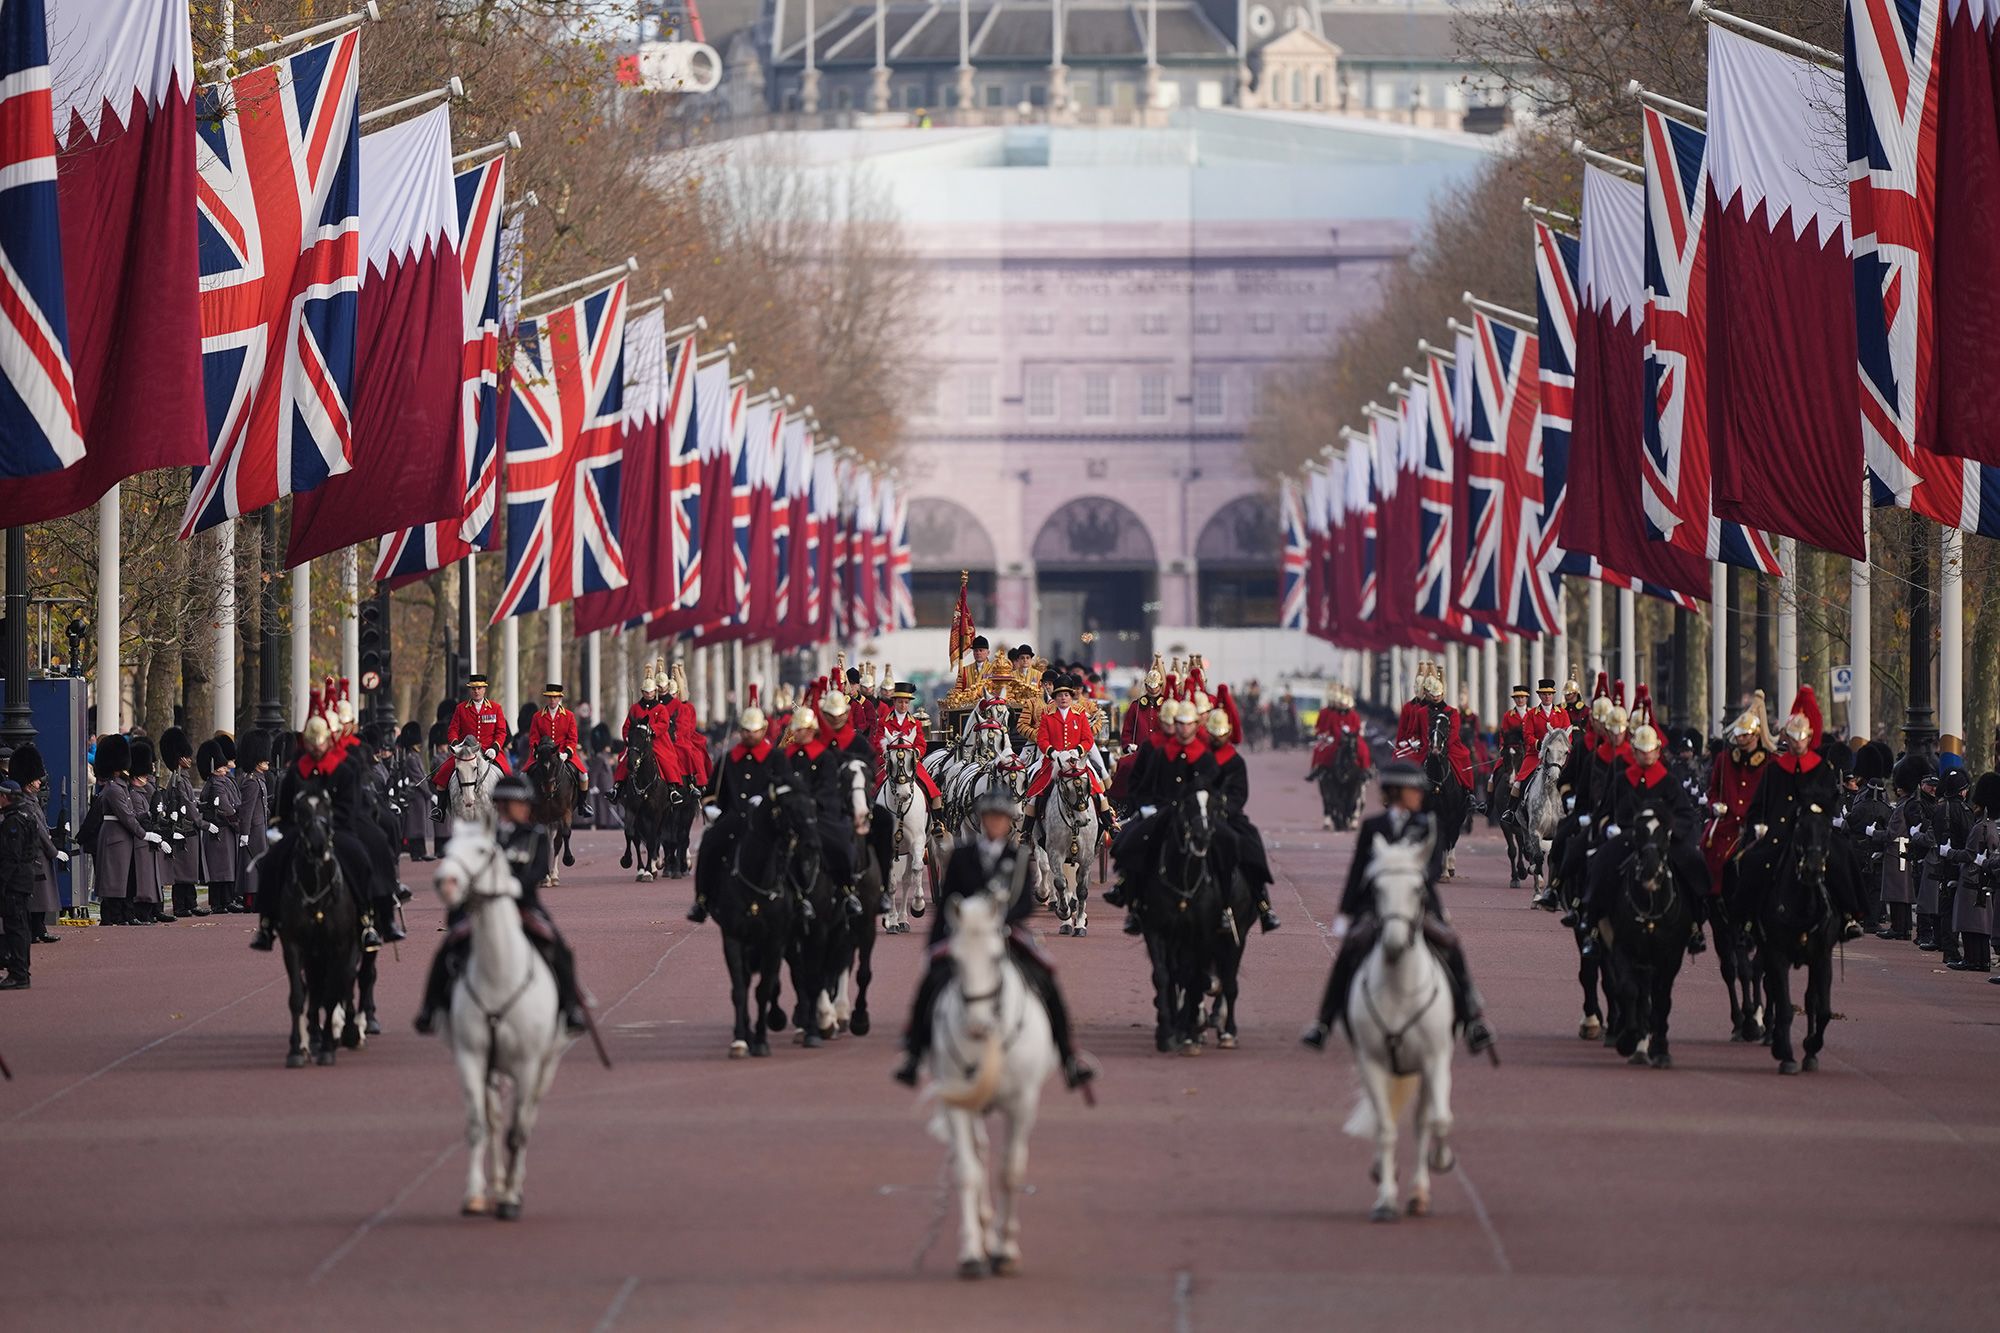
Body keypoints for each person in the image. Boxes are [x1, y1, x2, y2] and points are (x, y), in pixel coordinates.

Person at [891, 789, 1094, 1092]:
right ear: (983, 820)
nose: (995, 824)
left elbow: (1027, 903)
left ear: (1009, 822)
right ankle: (914, 1053)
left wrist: (1002, 919)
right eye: (990, 818)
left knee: (1047, 975)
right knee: (932, 980)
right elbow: (948, 901)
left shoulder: (1019, 857)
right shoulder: (962, 856)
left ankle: (1069, 1057)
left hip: (1006, 931)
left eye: (1001, 818)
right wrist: (936, 944)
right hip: (967, 933)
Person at [1300, 761, 1495, 1057]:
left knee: (1452, 946)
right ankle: (1323, 1022)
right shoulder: (1373, 826)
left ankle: (1472, 1018)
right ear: (1395, 792)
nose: (1420, 795)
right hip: (1376, 905)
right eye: (1413, 789)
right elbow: (1358, 870)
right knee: (1349, 952)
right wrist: (1345, 911)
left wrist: (1407, 877)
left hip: (1419, 903)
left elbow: (1431, 869)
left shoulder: (1428, 823)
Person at [415, 773, 589, 1036]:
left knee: (558, 946)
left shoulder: (535, 835)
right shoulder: (483, 836)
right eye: (515, 805)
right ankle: (430, 1008)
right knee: (448, 948)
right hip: (483, 905)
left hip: (522, 904)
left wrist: (515, 887)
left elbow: (538, 869)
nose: (523, 810)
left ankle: (570, 1006)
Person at [249, 712, 392, 953]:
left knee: (360, 859)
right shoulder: (296, 771)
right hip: (301, 829)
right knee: (272, 861)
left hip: (336, 829)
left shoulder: (344, 769)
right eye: (312, 744)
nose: (316, 749)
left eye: (320, 743)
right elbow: (283, 810)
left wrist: (327, 825)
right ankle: (267, 922)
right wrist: (284, 829)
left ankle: (367, 919)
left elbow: (348, 808)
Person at [1733, 687, 1865, 940]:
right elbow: (1760, 804)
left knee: (1842, 855)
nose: (1796, 743)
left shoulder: (1821, 769)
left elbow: (1831, 800)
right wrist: (1760, 824)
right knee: (1751, 862)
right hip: (1780, 831)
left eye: (1800, 738)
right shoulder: (1775, 770)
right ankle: (1747, 921)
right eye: (1792, 738)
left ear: (1809, 737)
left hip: (1813, 830)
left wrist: (1820, 812)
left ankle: (1849, 915)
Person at [1579, 723, 1709, 955]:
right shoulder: (1622, 779)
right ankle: (1592, 925)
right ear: (1635, 752)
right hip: (1629, 836)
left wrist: (1671, 830)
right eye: (1641, 750)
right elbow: (1605, 811)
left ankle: (1694, 926)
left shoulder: (1668, 780)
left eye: (1650, 751)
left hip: (1662, 838)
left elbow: (1686, 814)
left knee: (1694, 864)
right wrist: (1608, 827)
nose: (1646, 755)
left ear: (1658, 752)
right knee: (1600, 864)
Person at [688, 707, 794, 923]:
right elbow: (712, 792)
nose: (749, 735)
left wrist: (767, 798)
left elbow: (786, 787)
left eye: (754, 731)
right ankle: (702, 899)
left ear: (763, 730)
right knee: (709, 842)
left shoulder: (775, 758)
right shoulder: (729, 759)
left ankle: (800, 897)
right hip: (734, 818)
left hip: (767, 819)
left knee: (795, 845)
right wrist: (712, 807)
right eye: (746, 730)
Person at [1204, 708, 1281, 932]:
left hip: (1228, 815)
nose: (1217, 737)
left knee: (1251, 844)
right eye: (1214, 733)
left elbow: (1240, 793)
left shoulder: (1236, 761)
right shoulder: (1201, 756)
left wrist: (1224, 808)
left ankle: (1262, 903)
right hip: (1200, 812)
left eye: (1220, 733)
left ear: (1227, 733)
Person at [1020, 674, 1115, 845]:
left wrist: (1077, 751)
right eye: (1059, 695)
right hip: (1053, 761)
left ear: (1071, 697)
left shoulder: (1080, 715)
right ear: (1054, 698)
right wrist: (1053, 753)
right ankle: (1026, 832)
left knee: (1098, 791)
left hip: (1077, 760)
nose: (1063, 698)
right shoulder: (1047, 716)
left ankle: (1109, 824)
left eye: (1066, 695)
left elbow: (1088, 739)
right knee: (1035, 794)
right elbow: (1042, 740)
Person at [431, 673, 511, 821]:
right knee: (442, 777)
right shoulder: (461, 708)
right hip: (465, 751)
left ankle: (508, 810)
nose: (476, 691)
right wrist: (456, 745)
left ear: (484, 689)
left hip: (489, 752)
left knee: (508, 776)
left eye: (479, 688)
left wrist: (495, 747)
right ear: (470, 690)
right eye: (473, 688)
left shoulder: (495, 708)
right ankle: (439, 810)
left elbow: (501, 731)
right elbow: (453, 730)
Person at [10, 743, 63, 944]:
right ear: (28, 781)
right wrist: (53, 851)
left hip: (40, 853)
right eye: (36, 779)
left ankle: (39, 929)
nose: (39, 782)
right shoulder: (26, 802)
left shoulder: (30, 800)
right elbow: (39, 830)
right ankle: (35, 930)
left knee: (41, 895)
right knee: (38, 895)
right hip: (37, 854)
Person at [1947, 772, 1999, 973]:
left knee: (1969, 923)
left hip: (1972, 878)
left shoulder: (1981, 827)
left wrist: (1949, 852)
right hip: (1983, 878)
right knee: (1981, 924)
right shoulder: (1991, 826)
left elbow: (1969, 854)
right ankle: (1981, 960)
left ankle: (1972, 959)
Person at [1875, 753, 1929, 942]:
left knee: (1897, 889)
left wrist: (1873, 833)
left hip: (1898, 849)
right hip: (1904, 848)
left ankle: (1899, 927)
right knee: (1902, 889)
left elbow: (1893, 833)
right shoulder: (1911, 803)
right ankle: (1902, 926)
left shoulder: (1904, 806)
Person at [0, 779, 45, 989]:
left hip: (15, 880)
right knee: (22, 925)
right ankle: (20, 969)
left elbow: (11, 855)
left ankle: (18, 973)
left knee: (15, 925)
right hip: (25, 877)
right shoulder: (27, 814)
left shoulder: (13, 821)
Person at [159, 726, 203, 918]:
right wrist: (201, 822)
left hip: (188, 831)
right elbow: (187, 804)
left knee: (189, 870)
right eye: (186, 756)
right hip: (183, 830)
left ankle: (190, 902)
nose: (190, 759)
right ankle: (182, 905)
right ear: (179, 758)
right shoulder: (177, 781)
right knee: (182, 872)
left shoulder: (182, 779)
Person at [196, 738, 241, 916]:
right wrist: (239, 824)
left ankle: (225, 900)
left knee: (226, 868)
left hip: (224, 830)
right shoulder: (216, 784)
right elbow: (225, 808)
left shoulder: (221, 782)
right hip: (220, 830)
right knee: (221, 869)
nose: (225, 768)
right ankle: (221, 902)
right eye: (221, 766)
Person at [526, 683, 589, 781]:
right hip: (543, 754)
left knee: (583, 776)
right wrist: (537, 752)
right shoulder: (537, 717)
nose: (552, 700)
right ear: (547, 698)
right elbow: (534, 738)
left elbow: (572, 738)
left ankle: (581, 797)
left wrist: (567, 753)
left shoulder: (569, 716)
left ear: (560, 698)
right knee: (523, 775)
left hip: (564, 752)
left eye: (555, 697)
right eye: (550, 697)